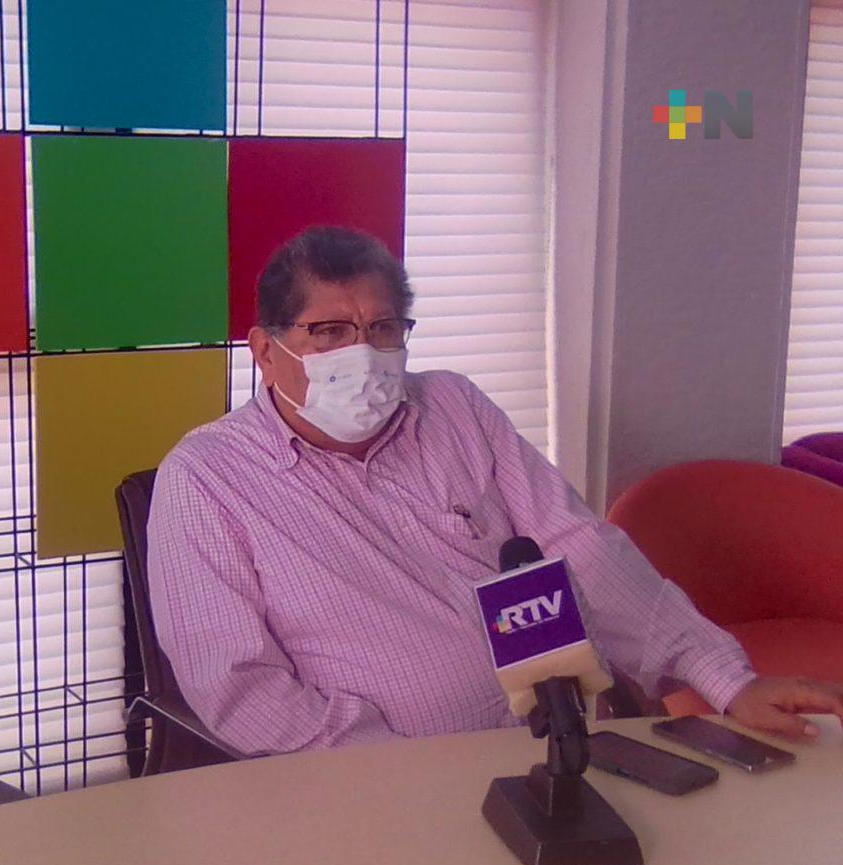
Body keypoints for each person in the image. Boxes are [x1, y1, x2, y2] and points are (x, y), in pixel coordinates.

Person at [146, 226, 843, 757]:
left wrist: (726, 679)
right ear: (266, 351)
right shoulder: (208, 479)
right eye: (329, 332)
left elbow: (579, 546)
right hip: (377, 786)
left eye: (381, 328)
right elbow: (241, 687)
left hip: (567, 744)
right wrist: (390, 770)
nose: (361, 353)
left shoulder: (453, 407)